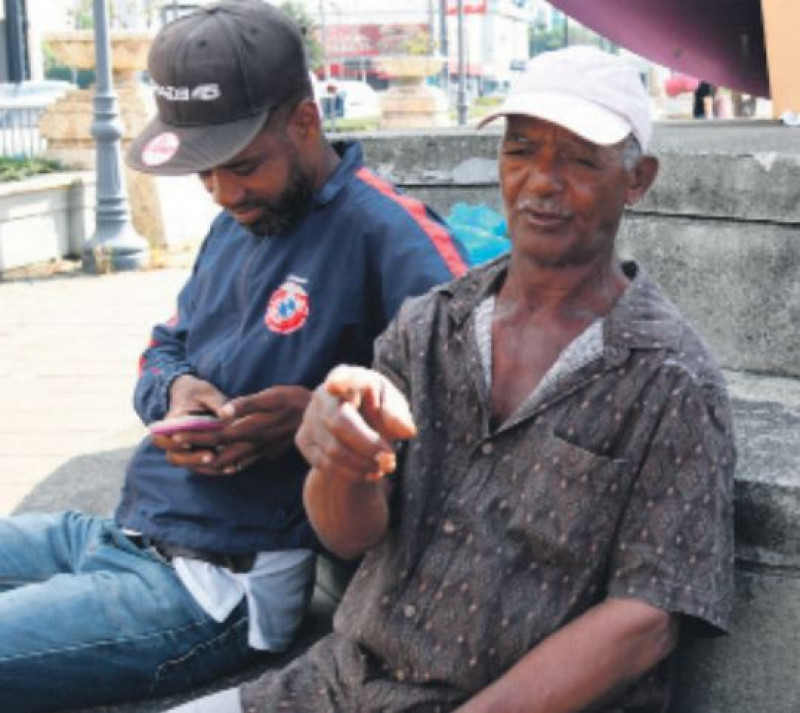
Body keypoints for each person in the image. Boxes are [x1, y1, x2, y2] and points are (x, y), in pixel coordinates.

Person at [171, 45, 736, 713]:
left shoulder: (670, 377)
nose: (542, 181)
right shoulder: (429, 325)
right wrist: (339, 461)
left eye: (580, 159)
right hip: (340, 685)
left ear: (637, 178)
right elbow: (348, 535)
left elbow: (647, 620)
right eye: (521, 151)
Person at [0, 2, 468, 711]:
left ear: (305, 122)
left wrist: (315, 420)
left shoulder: (389, 234)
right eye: (205, 175)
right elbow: (165, 347)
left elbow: (468, 413)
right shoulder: (234, 223)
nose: (223, 192)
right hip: (130, 528)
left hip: (219, 584)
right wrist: (178, 391)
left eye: (243, 166)